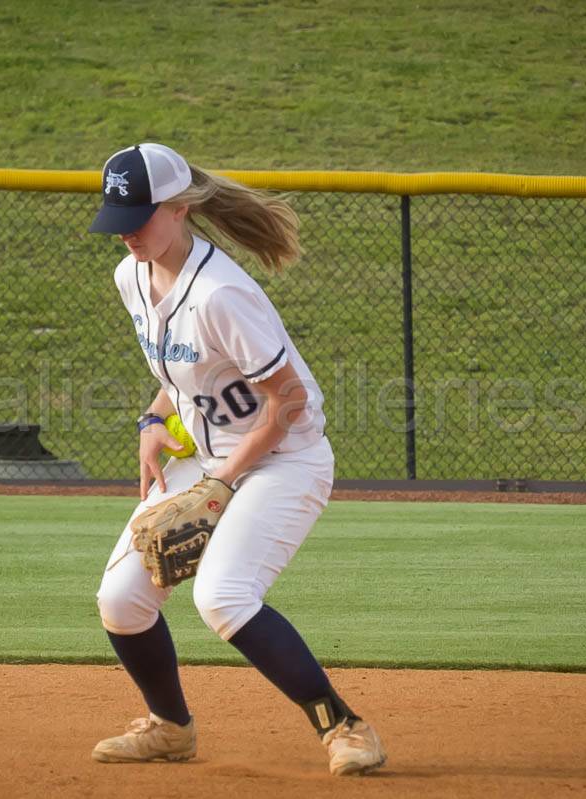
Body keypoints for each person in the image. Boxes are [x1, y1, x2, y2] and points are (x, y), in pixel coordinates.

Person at [88, 143, 386, 776]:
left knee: (223, 595)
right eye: (120, 220)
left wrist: (221, 482)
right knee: (120, 600)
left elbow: (288, 401)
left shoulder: (223, 293)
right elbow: (183, 372)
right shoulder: (131, 277)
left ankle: (346, 728)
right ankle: (171, 730)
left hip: (287, 460)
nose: (127, 234)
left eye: (140, 217)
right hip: (212, 459)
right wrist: (152, 420)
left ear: (180, 208)